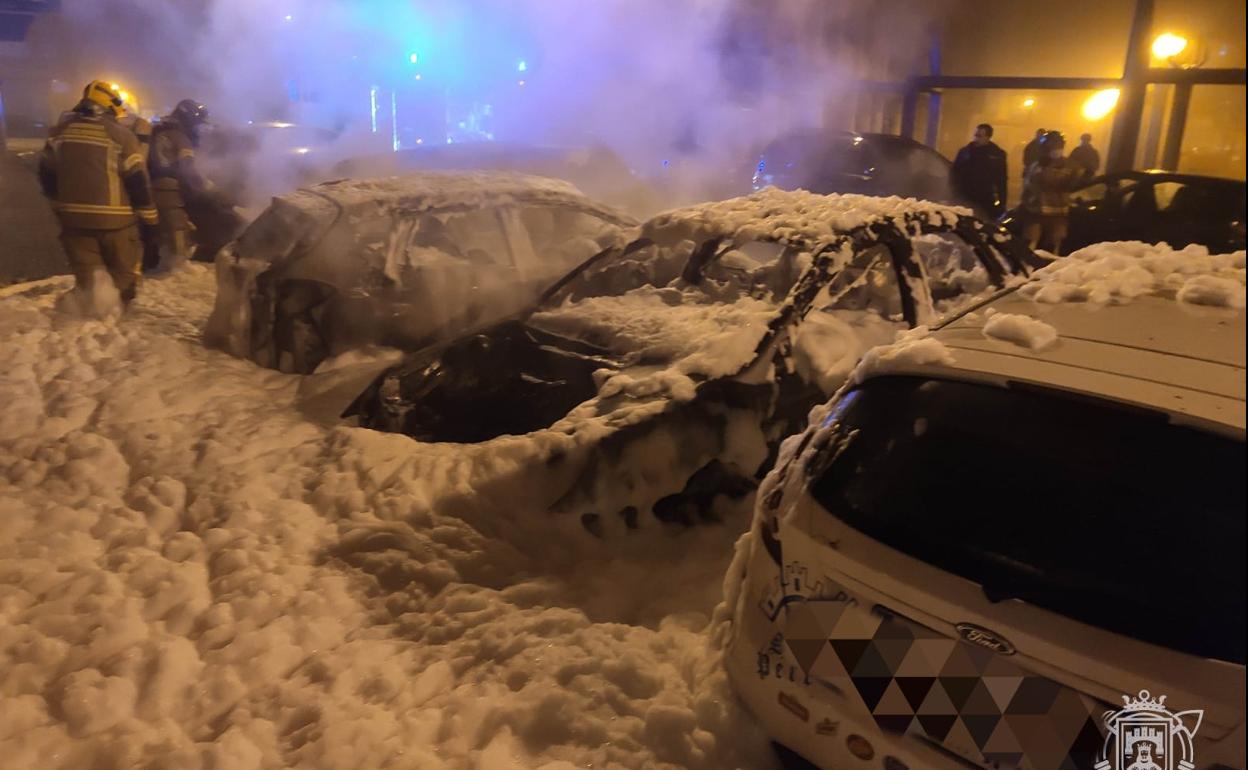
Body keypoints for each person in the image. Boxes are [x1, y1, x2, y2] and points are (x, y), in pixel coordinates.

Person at [37, 80, 160, 307]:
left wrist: (59, 205)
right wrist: (151, 225)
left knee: (90, 281)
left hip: (74, 222)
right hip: (118, 224)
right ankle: (115, 324)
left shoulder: (58, 133)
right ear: (110, 107)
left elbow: (46, 174)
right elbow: (138, 183)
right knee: (124, 278)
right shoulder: (120, 136)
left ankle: (82, 323)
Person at [149, 99, 213, 270]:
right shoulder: (180, 137)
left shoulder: (159, 130)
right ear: (189, 119)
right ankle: (175, 267)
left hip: (152, 185)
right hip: (167, 188)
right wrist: (207, 188)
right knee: (176, 230)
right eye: (197, 124)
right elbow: (187, 170)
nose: (198, 129)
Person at [1021, 130, 1083, 254]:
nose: (1056, 149)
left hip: (1059, 215)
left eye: (1058, 146)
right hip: (1036, 213)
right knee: (1031, 245)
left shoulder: (1071, 166)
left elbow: (1077, 185)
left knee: (1055, 247)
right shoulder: (1036, 166)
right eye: (1053, 146)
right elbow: (1028, 187)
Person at [952, 123, 1009, 217]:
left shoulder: (997, 155)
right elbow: (955, 173)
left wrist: (1002, 202)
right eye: (975, 135)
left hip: (985, 198)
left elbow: (1001, 180)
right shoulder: (965, 152)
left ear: (988, 137)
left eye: (979, 136)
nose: (976, 138)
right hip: (965, 196)